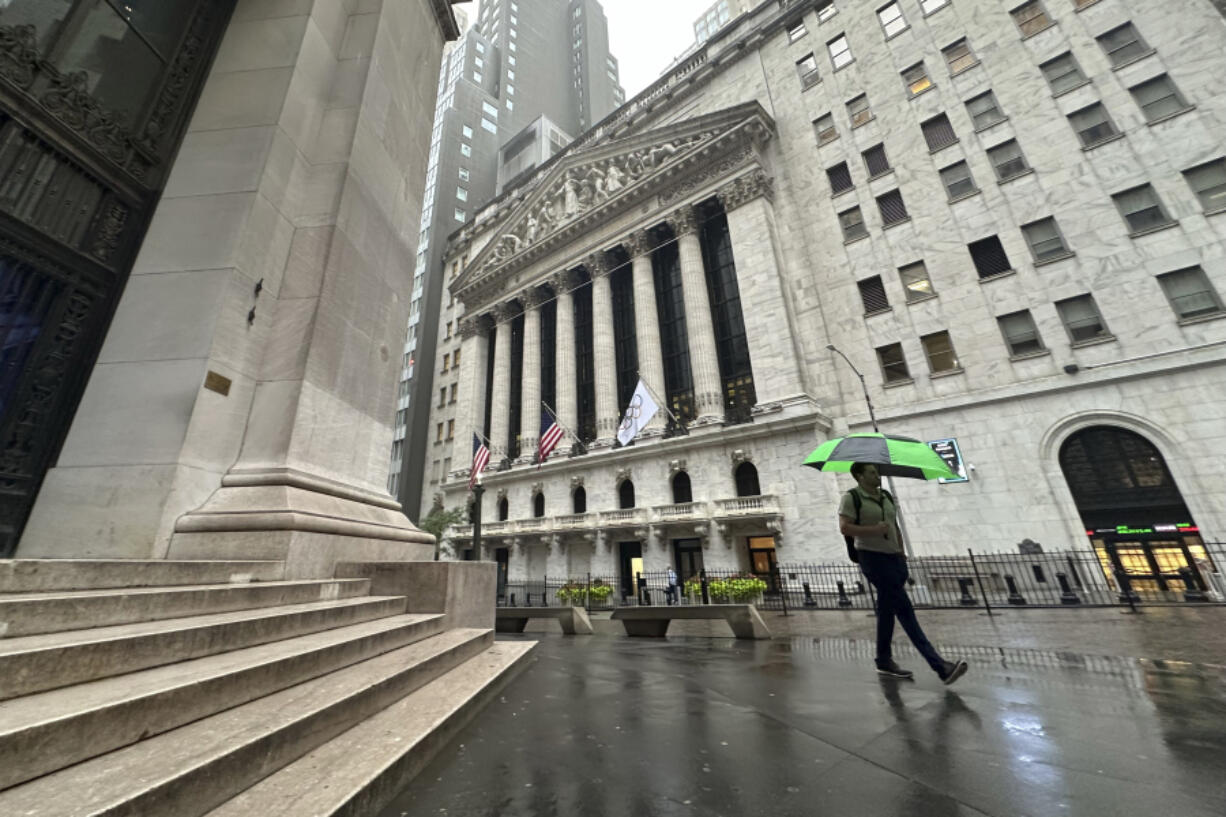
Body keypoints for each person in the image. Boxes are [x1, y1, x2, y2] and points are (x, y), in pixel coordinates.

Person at [838, 462, 968, 685]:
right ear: (859, 476)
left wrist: (901, 551)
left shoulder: (886, 496)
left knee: (887, 610)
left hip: (894, 558)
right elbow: (845, 527)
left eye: (876, 471)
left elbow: (894, 525)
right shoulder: (851, 497)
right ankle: (940, 667)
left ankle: (883, 660)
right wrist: (873, 530)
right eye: (871, 472)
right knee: (905, 610)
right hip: (871, 557)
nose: (876, 475)